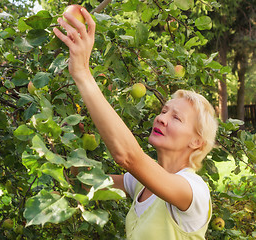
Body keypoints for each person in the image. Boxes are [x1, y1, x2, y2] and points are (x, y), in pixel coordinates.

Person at [54, 7, 218, 240]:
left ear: (196, 141)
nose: (161, 118)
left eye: (176, 117)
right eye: (163, 111)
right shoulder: (138, 184)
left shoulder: (194, 192)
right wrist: (68, 154)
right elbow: (85, 183)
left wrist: (82, 71)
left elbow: (128, 157)